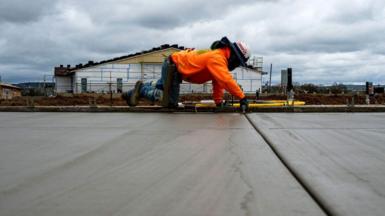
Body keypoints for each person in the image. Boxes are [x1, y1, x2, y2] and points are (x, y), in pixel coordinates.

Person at [122, 36, 250, 109]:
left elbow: (218, 83)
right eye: (238, 62)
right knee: (170, 102)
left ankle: (130, 93)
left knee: (162, 85)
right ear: (234, 55)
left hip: (175, 65)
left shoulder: (219, 59)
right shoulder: (217, 58)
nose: (236, 65)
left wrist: (218, 102)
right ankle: (141, 90)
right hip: (174, 66)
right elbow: (226, 80)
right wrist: (242, 98)